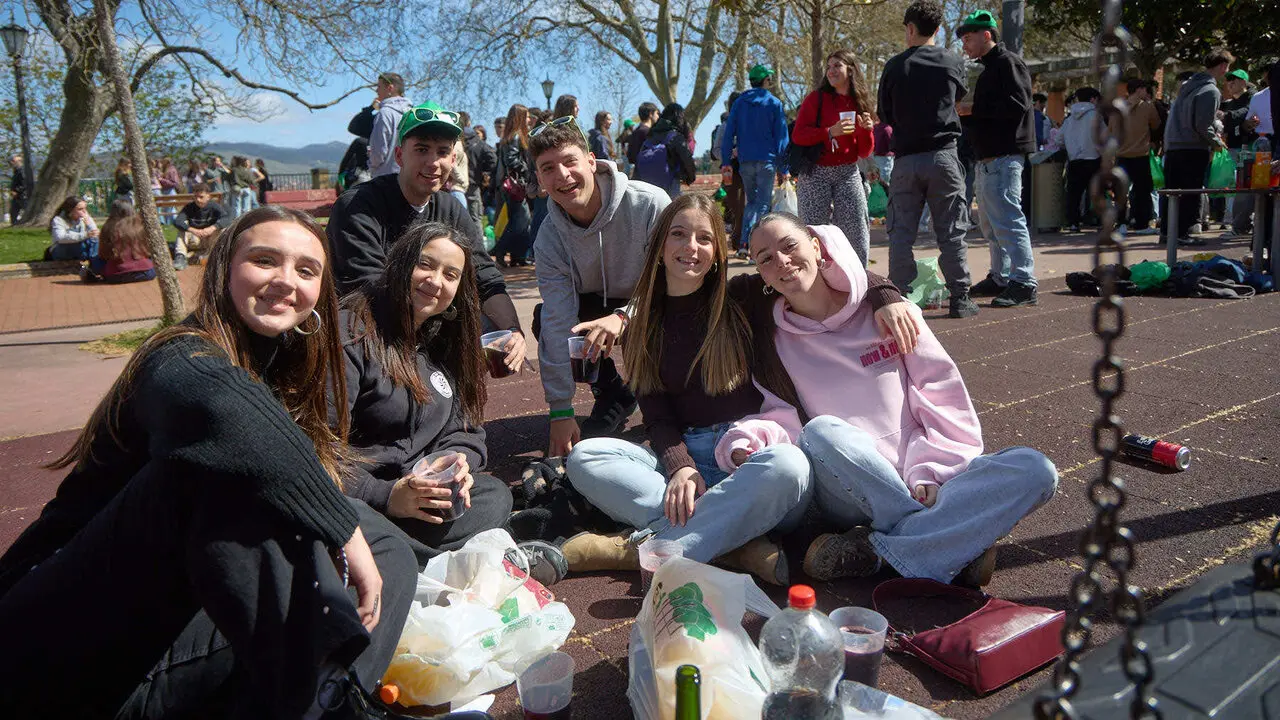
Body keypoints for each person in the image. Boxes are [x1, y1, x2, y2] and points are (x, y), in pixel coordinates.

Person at [0, 206, 419, 718]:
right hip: (48, 645)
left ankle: (334, 693)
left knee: (385, 544)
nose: (286, 281)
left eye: (307, 271)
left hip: (149, 651)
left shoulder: (280, 367)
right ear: (223, 270)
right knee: (224, 475)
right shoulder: (176, 356)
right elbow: (222, 414)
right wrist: (339, 526)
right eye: (265, 260)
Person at [563, 194, 916, 585]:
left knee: (791, 466)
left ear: (717, 252)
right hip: (690, 465)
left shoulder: (745, 297)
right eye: (678, 234)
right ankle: (734, 544)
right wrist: (681, 466)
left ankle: (646, 549)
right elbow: (658, 416)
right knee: (586, 456)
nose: (690, 248)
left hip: (755, 459)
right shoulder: (643, 325)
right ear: (660, 244)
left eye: (704, 238)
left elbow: (818, 273)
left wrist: (884, 292)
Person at [737, 212, 1058, 585]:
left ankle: (883, 551)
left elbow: (941, 391)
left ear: (815, 243)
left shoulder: (889, 312)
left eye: (789, 245)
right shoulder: (770, 341)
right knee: (821, 431)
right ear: (760, 273)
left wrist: (933, 468)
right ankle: (945, 539)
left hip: (927, 476)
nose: (782, 261)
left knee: (1036, 470)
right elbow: (781, 417)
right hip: (849, 488)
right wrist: (746, 440)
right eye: (765, 258)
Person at [336, 219, 566, 582]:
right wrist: (386, 495)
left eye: (451, 275)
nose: (435, 281)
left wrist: (457, 462)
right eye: (425, 265)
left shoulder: (444, 340)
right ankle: (464, 560)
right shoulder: (350, 334)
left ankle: (411, 559)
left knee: (492, 495)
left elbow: (468, 430)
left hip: (422, 498)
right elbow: (316, 452)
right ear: (399, 264)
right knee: (346, 516)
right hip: (360, 495)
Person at [327, 100, 527, 373]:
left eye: (442, 152)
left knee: (491, 326)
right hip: (367, 332)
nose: (433, 162)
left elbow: (486, 278)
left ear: (453, 160)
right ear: (399, 156)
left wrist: (513, 332)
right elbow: (368, 290)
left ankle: (451, 400)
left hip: (427, 323)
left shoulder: (450, 209)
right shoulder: (358, 206)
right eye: (421, 150)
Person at [528, 117, 670, 456]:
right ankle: (613, 394)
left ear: (592, 161)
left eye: (569, 161)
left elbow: (675, 284)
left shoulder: (650, 204)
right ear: (539, 179)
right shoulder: (549, 238)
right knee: (544, 316)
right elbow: (558, 319)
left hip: (654, 302)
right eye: (548, 168)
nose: (562, 175)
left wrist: (624, 317)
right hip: (597, 306)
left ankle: (666, 395)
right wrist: (560, 408)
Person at [879, 0, 978, 318]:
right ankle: (960, 298)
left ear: (910, 28)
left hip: (906, 159)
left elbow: (885, 114)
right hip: (944, 156)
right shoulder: (952, 60)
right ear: (938, 29)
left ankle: (899, 297)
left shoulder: (894, 66)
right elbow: (957, 97)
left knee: (901, 232)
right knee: (951, 231)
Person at [957, 10, 1040, 308]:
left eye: (968, 38)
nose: (964, 45)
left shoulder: (1008, 63)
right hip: (989, 157)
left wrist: (972, 111)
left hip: (1005, 155)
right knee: (992, 224)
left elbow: (1017, 104)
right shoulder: (990, 69)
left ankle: (1024, 280)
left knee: (1007, 218)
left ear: (987, 35)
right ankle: (1002, 275)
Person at [791, 48, 877, 266]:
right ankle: (812, 282)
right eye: (829, 66)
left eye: (837, 65)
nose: (831, 71)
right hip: (815, 172)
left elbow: (864, 152)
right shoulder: (815, 99)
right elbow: (798, 135)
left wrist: (866, 130)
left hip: (847, 172)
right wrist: (829, 132)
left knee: (856, 229)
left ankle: (860, 282)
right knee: (812, 231)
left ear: (851, 70)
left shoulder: (860, 103)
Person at [1160, 49, 1233, 246]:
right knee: (1190, 193)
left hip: (1174, 146)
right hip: (1193, 148)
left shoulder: (1186, 88)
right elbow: (1203, 125)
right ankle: (1183, 234)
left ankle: (1168, 232)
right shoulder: (1210, 90)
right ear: (1222, 66)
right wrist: (1217, 143)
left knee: (1172, 193)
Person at [719, 64, 790, 252]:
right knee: (763, 204)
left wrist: (726, 161)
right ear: (766, 80)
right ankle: (754, 245)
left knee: (751, 202)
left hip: (745, 161)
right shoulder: (774, 103)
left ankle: (744, 243)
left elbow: (728, 134)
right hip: (767, 161)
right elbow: (782, 138)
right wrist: (784, 167)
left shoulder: (740, 102)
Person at [491, 104, 538, 266]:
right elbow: (512, 160)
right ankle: (501, 251)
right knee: (521, 222)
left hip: (510, 186)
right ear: (519, 118)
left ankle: (517, 257)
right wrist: (526, 171)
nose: (529, 120)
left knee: (517, 221)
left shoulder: (511, 136)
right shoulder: (516, 136)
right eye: (526, 116)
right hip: (515, 186)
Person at [1118, 78, 1162, 236]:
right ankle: (1142, 224)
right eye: (1145, 89)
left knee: (1121, 191)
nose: (1147, 92)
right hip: (1140, 155)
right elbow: (1156, 124)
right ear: (1139, 90)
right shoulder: (1148, 107)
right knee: (1143, 190)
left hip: (1120, 155)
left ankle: (1120, 223)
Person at [634, 102, 696, 198]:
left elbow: (638, 162)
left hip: (647, 187)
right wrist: (690, 178)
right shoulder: (675, 137)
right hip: (669, 186)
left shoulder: (650, 136)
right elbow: (686, 159)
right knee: (670, 211)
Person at [1061, 87, 1102, 233]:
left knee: (1074, 193)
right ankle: (1099, 220)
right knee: (1097, 192)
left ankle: (1073, 222)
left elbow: (1060, 138)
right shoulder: (1096, 116)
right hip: (1094, 159)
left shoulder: (1069, 118)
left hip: (1074, 161)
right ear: (1093, 99)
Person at [87, 199, 155, 284]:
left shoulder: (108, 228)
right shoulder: (140, 225)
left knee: (96, 258)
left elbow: (103, 254)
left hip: (116, 275)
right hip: (146, 272)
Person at [172, 183, 230, 269]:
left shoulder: (215, 206)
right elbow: (177, 221)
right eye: (195, 197)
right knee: (182, 229)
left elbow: (227, 218)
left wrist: (213, 227)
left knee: (223, 229)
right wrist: (192, 230)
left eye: (201, 197)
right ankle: (180, 257)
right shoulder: (189, 207)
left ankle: (216, 255)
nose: (198, 200)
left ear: (208, 196)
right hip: (194, 238)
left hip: (210, 239)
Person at [370, 72, 411, 178]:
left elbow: (378, 153)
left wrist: (371, 165)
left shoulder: (385, 113)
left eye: (379, 86)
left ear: (390, 88)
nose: (376, 90)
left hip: (385, 178)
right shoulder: (412, 113)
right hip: (408, 178)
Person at [464, 114, 497, 227]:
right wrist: (484, 172)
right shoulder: (479, 143)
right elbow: (493, 160)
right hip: (472, 183)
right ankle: (477, 244)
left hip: (455, 185)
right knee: (475, 217)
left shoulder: (455, 140)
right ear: (468, 123)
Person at [48, 195, 100, 261]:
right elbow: (60, 238)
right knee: (84, 245)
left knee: (95, 241)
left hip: (79, 247)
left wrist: (88, 224)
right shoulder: (58, 220)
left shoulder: (85, 218)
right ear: (70, 210)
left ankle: (94, 261)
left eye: (85, 208)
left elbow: (94, 234)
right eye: (80, 209)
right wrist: (86, 235)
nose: (84, 212)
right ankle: (93, 261)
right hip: (61, 249)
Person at [627, 102, 660, 173]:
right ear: (651, 114)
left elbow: (630, 157)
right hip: (649, 175)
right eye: (657, 113)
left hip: (638, 173)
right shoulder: (649, 133)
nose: (658, 116)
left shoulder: (635, 132)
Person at [8, 154, 26, 224]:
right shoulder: (16, 171)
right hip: (17, 196)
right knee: (13, 212)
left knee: (26, 210)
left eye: (12, 161)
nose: (11, 163)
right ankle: (14, 225)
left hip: (22, 195)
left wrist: (17, 191)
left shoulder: (22, 170)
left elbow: (24, 183)